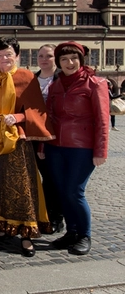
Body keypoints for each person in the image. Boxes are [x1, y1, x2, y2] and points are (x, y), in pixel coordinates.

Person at [0, 37, 54, 257]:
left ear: (16, 55)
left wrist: (17, 116)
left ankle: (25, 234)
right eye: (0, 56)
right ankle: (3, 226)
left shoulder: (26, 77)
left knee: (21, 186)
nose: (4, 59)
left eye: (8, 54)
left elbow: (37, 109)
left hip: (16, 141)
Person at [45, 41, 109, 256]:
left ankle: (84, 234)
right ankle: (71, 232)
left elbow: (102, 119)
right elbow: (50, 117)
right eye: (64, 59)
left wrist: (101, 150)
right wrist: (44, 145)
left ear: (81, 60)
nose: (69, 63)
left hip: (82, 147)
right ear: (59, 62)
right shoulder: (55, 86)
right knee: (63, 192)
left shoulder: (95, 83)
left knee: (75, 191)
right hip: (56, 147)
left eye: (73, 58)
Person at [33, 44, 64, 234]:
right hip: (36, 135)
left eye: (49, 56)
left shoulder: (62, 79)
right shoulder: (33, 79)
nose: (45, 59)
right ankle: (42, 214)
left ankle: (56, 217)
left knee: (53, 178)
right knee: (42, 177)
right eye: (41, 56)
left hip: (56, 136)